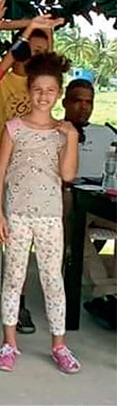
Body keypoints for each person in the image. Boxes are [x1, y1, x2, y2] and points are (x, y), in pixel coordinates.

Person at [0, 14, 63, 333]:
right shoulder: (2, 80)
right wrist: (26, 31)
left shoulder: (41, 89)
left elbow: (51, 64)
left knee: (22, 246)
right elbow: (6, 58)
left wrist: (47, 36)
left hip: (26, 178)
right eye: (31, 49)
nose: (35, 56)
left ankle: (19, 304)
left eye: (42, 51)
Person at [0, 52, 81, 374]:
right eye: (38, 89)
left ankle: (59, 345)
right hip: (16, 215)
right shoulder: (13, 128)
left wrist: (70, 137)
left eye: (51, 90)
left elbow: (68, 175)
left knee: (52, 279)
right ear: (29, 91)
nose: (44, 96)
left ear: (58, 93)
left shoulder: (63, 132)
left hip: (49, 216)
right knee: (13, 279)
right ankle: (9, 343)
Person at [62, 79, 117, 329]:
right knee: (75, 224)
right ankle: (104, 292)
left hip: (102, 198)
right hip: (70, 202)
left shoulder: (107, 134)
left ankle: (111, 292)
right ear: (64, 102)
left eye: (88, 102)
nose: (84, 107)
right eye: (77, 101)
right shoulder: (55, 131)